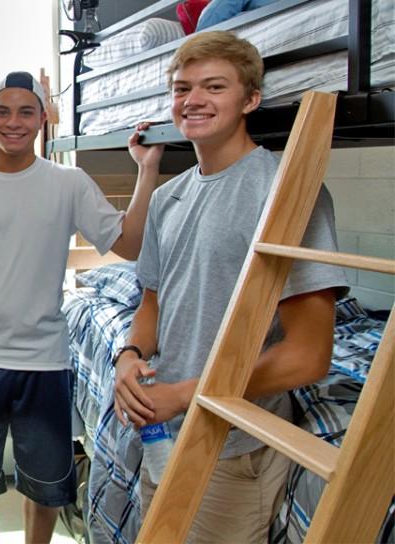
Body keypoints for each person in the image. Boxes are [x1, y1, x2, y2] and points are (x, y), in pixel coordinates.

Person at [112, 31, 348, 542]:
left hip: (234, 446)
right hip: (162, 432)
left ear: (250, 100)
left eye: (213, 87)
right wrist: (128, 355)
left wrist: (187, 395)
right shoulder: (168, 197)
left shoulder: (284, 191)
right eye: (181, 88)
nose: (192, 100)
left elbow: (308, 356)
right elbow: (153, 302)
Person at [0, 70, 162, 543]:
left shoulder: (68, 183)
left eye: (26, 111)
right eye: (3, 111)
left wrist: (147, 168)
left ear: (42, 120)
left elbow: (131, 244)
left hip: (45, 364)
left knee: (48, 490)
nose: (14, 122)